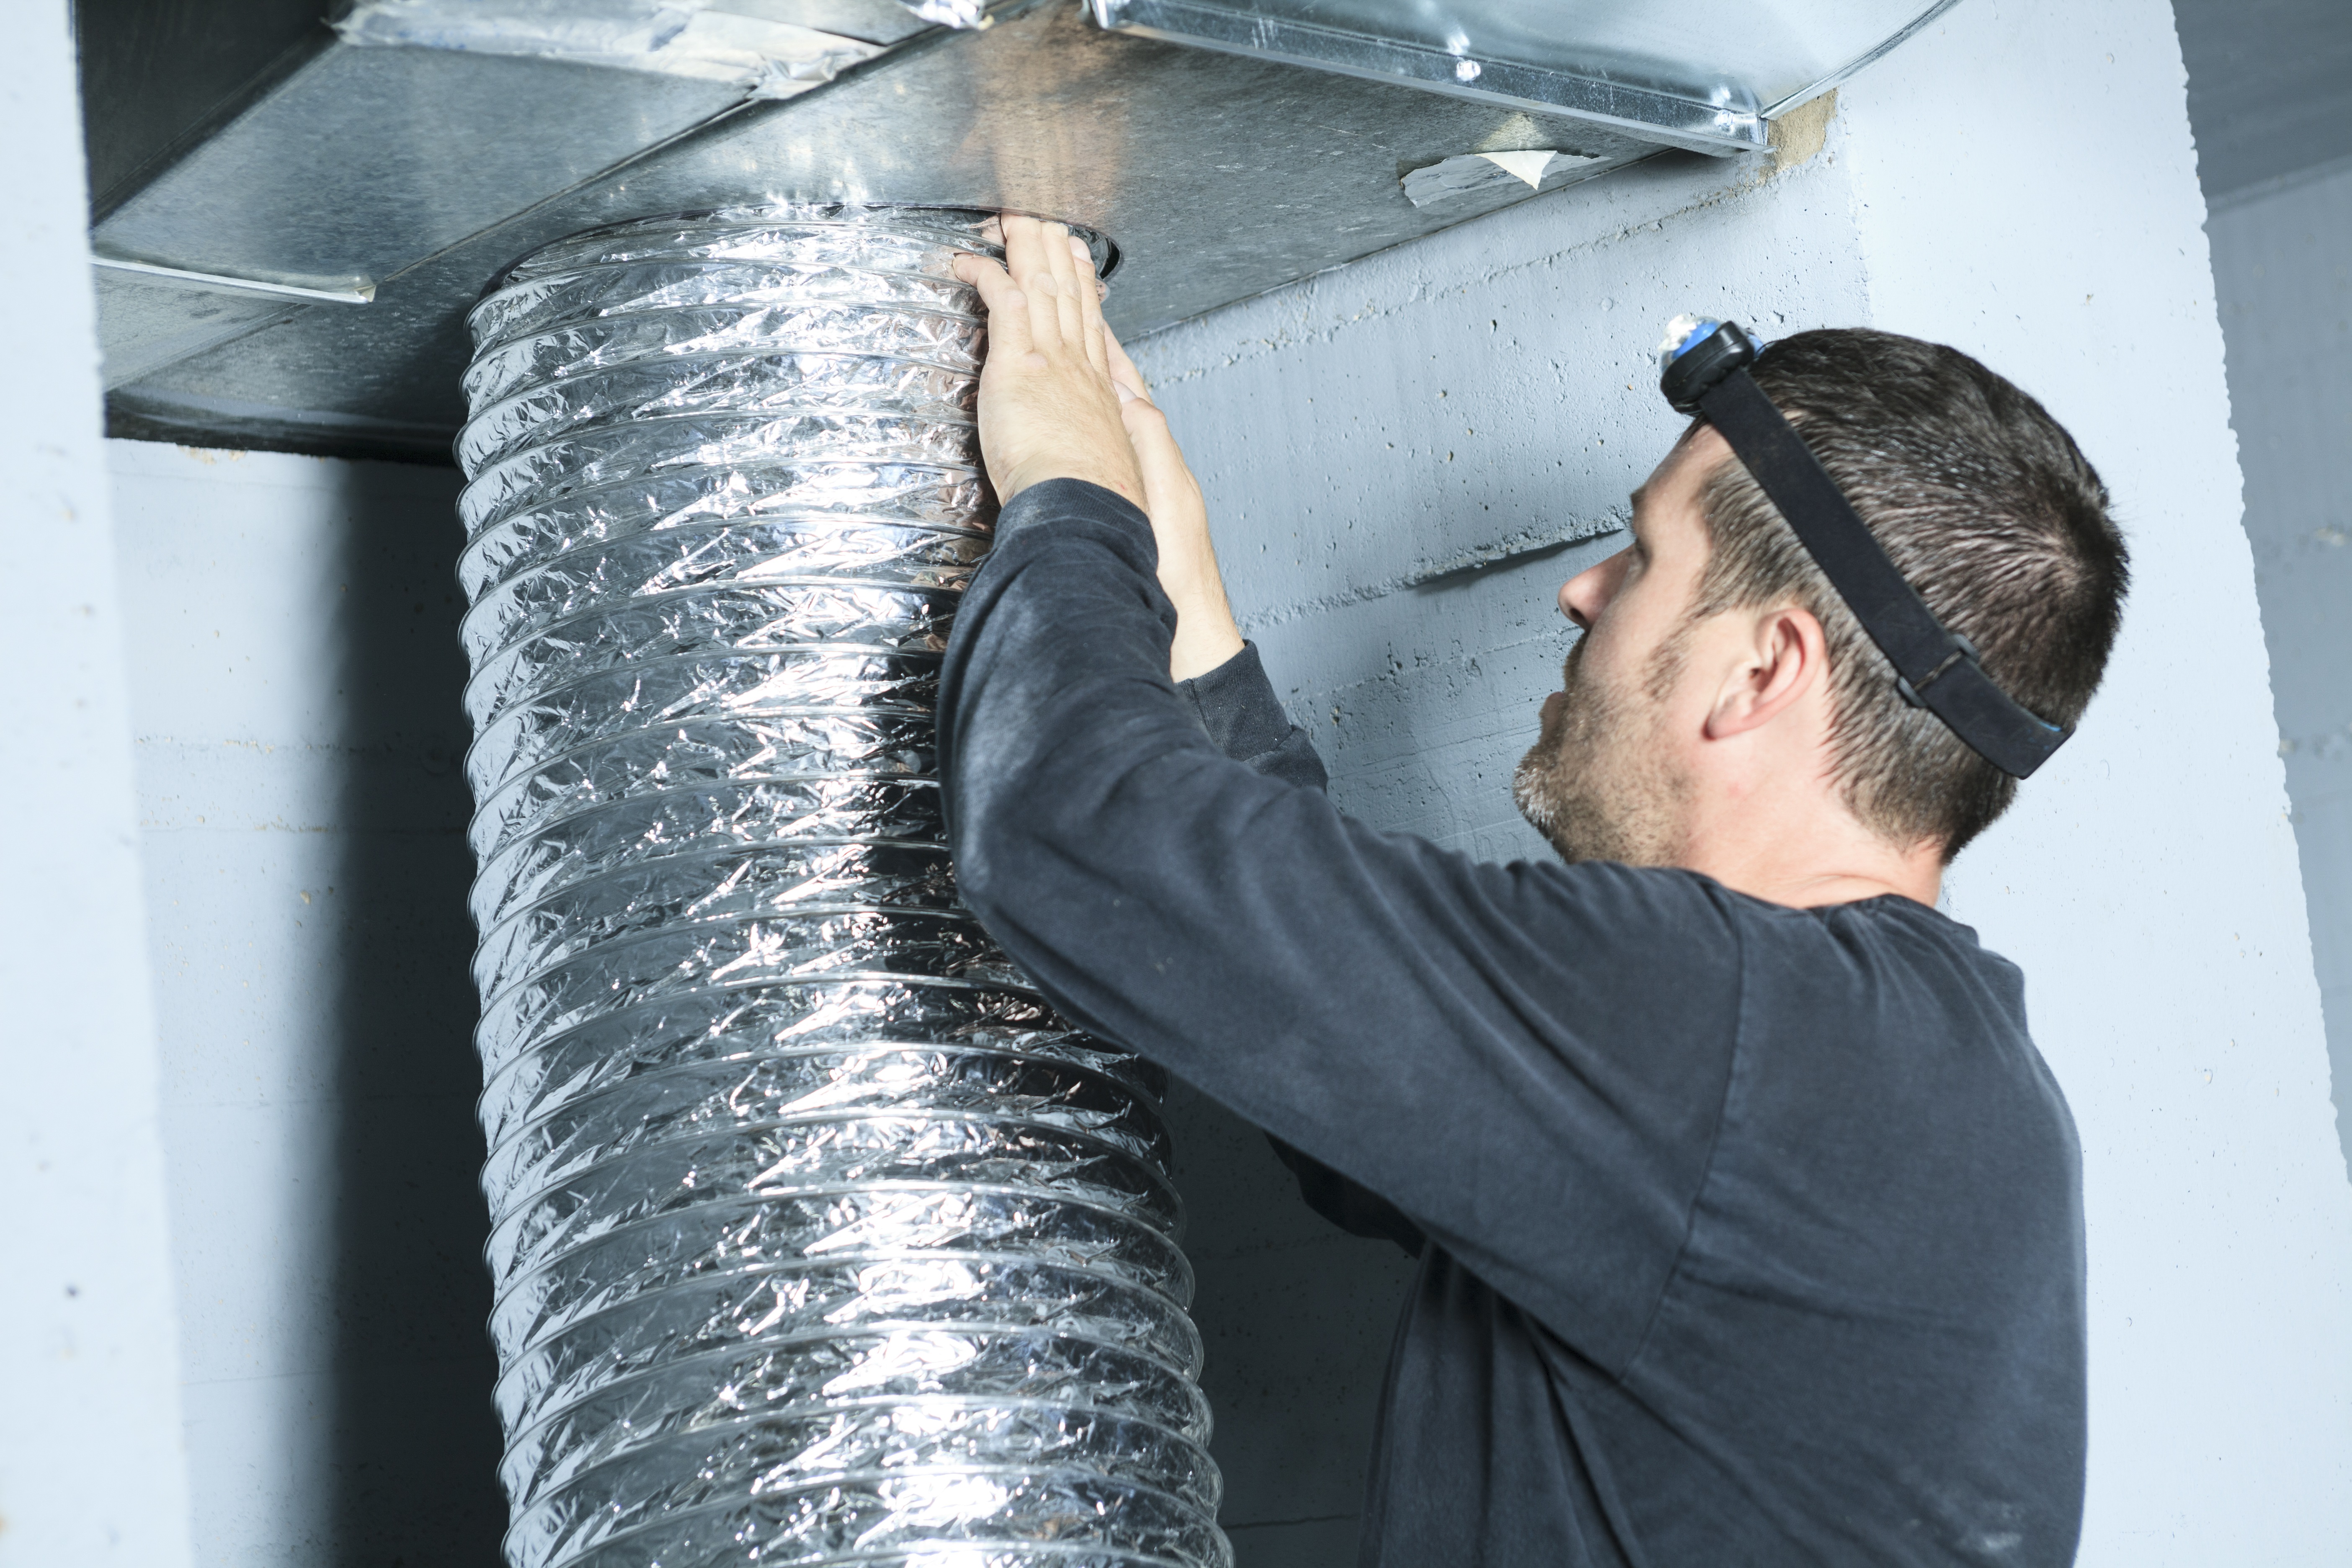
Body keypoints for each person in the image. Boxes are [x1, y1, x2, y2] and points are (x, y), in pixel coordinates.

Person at [941, 215, 2129, 1566]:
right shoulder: (1898, 1070)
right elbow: (1362, 1117)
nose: (1582, 593)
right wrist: (1191, 608)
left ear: (1763, 672)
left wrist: (1066, 492)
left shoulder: (1740, 1027)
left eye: (1643, 559)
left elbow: (1069, 832)